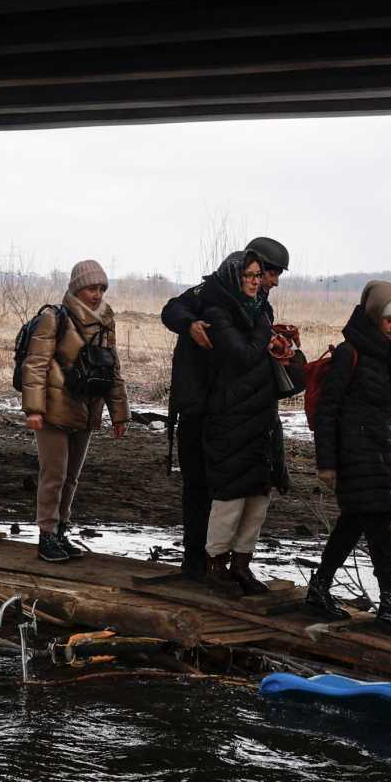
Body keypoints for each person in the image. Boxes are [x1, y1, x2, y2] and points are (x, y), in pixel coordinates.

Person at [163, 235, 291, 579]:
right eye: (272, 272)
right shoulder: (211, 294)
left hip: (231, 409)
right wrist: (190, 324)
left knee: (228, 487)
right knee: (198, 486)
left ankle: (216, 562)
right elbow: (171, 308)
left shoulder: (258, 305)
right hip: (197, 405)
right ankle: (195, 561)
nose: (274, 280)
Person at [307, 280, 391, 636]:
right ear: (374, 316)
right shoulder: (349, 353)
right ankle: (389, 604)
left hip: (379, 449)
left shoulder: (388, 353)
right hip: (353, 453)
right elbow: (328, 410)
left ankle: (320, 587)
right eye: (390, 321)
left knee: (355, 522)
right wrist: (326, 463)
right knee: (377, 522)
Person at [20, 260, 130, 562]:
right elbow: (36, 365)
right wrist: (33, 409)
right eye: (91, 287)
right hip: (54, 409)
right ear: (77, 288)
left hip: (86, 408)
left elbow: (112, 369)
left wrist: (120, 414)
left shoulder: (107, 321)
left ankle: (61, 531)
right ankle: (46, 535)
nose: (97, 294)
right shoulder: (54, 318)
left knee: (71, 477)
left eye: (101, 288)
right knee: (53, 474)